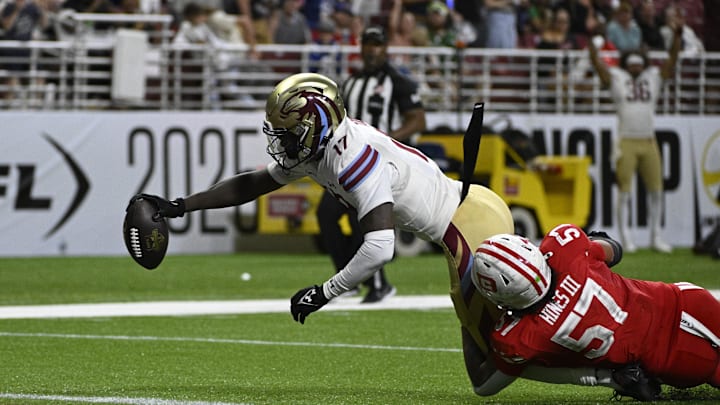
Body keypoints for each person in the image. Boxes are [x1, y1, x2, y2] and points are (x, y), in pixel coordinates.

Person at [132, 72, 654, 397]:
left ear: (315, 123)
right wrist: (180, 205)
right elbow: (253, 183)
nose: (281, 141)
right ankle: (593, 252)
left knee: (490, 373)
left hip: (468, 232)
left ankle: (613, 373)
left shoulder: (352, 157)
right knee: (501, 349)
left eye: (289, 131)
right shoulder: (320, 147)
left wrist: (325, 292)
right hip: (469, 215)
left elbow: (380, 247)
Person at [466, 224, 720, 398]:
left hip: (670, 361)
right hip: (688, 302)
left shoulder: (521, 338)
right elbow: (614, 250)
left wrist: (465, 311)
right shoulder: (567, 247)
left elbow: (483, 385)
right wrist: (595, 243)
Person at [315, 25, 427, 303]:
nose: (372, 49)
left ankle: (377, 284)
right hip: (347, 162)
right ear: (361, 47)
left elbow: (417, 120)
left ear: (385, 48)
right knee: (326, 214)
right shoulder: (350, 83)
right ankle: (348, 279)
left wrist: (386, 139)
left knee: (361, 219)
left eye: (377, 44)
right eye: (368, 44)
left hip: (377, 163)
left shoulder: (398, 82)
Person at [587, 19, 682, 253]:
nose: (636, 68)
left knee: (657, 189)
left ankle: (656, 236)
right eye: (633, 65)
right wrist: (592, 43)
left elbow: (671, 63)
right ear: (627, 65)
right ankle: (626, 236)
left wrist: (677, 37)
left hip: (649, 139)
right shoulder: (618, 77)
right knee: (625, 190)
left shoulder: (653, 76)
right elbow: (599, 67)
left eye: (639, 64)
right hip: (626, 140)